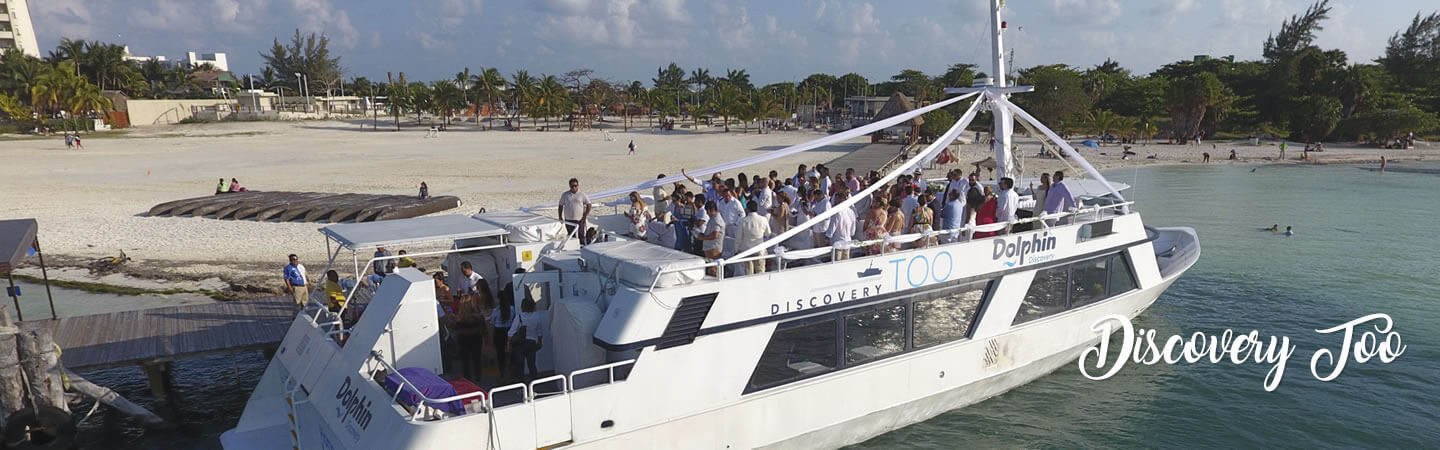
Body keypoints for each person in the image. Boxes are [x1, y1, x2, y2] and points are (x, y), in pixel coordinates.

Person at [454, 278, 491, 382]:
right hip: (476, 339)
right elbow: (483, 329)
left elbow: (456, 329)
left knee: (465, 362)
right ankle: (478, 378)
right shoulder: (478, 316)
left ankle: (467, 379)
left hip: (463, 341)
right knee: (476, 360)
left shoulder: (459, 318)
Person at [508, 294, 545, 382]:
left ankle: (522, 385)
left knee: (520, 366)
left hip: (520, 344)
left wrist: (508, 345)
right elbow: (540, 331)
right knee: (532, 364)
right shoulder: (537, 316)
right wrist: (540, 342)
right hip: (532, 343)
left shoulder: (519, 316)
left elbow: (511, 332)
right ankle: (534, 383)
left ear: (522, 306)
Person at [734, 202, 771, 275]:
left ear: (747, 209)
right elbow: (768, 234)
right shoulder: (763, 219)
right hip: (760, 250)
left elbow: (738, 238)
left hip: (747, 251)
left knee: (749, 274)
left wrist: (736, 250)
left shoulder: (743, 221)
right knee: (760, 273)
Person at [559, 178, 592, 245]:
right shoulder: (565, 195)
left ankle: (582, 247)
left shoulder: (582, 194)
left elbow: (589, 204)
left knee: (581, 235)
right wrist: (560, 216)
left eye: (575, 186)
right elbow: (560, 205)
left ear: (578, 185)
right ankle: (573, 248)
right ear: (569, 186)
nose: (574, 187)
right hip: (568, 220)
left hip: (580, 219)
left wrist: (585, 216)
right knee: (571, 236)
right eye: (572, 186)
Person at [490, 287, 514, 379]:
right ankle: (511, 374)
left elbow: (492, 324)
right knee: (510, 353)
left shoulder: (496, 310)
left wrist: (490, 338)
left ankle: (502, 375)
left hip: (499, 333)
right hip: (509, 331)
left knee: (500, 355)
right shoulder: (512, 309)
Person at [826, 191, 856, 260]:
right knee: (845, 263)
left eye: (836, 199)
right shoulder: (851, 212)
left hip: (837, 243)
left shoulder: (837, 211)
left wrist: (827, 237)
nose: (835, 201)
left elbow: (832, 226)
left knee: (836, 263)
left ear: (840, 200)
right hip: (847, 241)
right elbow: (853, 230)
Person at [699, 201, 725, 276]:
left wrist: (703, 238)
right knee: (711, 269)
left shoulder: (716, 219)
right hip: (710, 248)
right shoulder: (713, 218)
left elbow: (715, 235)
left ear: (712, 209)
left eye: (708, 211)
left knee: (713, 270)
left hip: (713, 249)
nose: (707, 214)